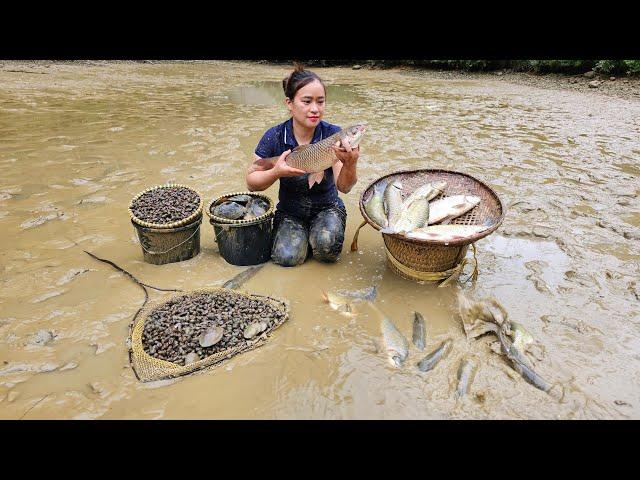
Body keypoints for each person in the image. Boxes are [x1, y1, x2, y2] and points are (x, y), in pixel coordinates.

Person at [246, 63, 360, 267]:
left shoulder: (333, 135)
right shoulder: (275, 136)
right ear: (289, 103)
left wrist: (350, 164)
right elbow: (251, 183)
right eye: (307, 101)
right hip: (290, 211)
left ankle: (319, 234)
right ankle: (300, 237)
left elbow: (344, 187)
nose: (315, 109)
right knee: (287, 259)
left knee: (327, 251)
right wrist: (276, 172)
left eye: (321, 102)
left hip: (328, 207)